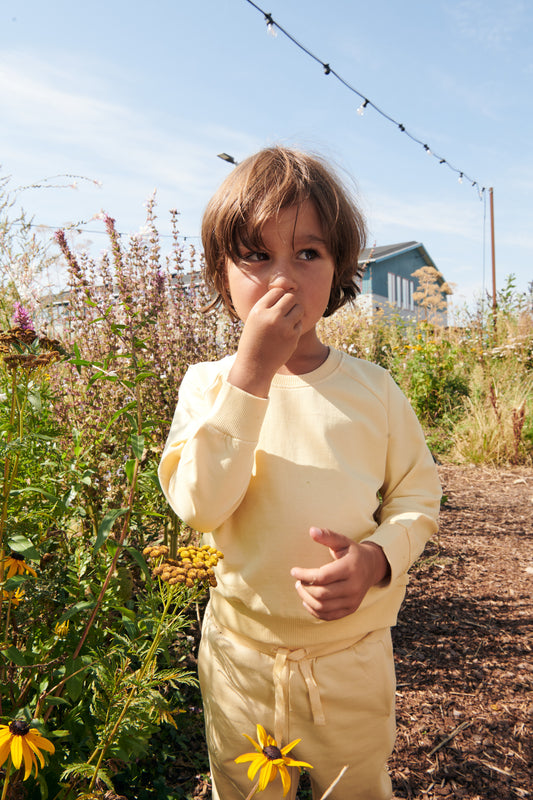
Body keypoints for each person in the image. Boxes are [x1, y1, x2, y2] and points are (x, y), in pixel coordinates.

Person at [158, 145, 441, 800]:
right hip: (241, 659)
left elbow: (417, 495)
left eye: (306, 254)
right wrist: (250, 376)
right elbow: (199, 505)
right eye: (255, 256)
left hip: (350, 661)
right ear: (219, 272)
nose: (281, 279)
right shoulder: (206, 387)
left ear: (338, 269)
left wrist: (375, 560)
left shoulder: (372, 391)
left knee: (356, 786)